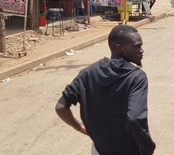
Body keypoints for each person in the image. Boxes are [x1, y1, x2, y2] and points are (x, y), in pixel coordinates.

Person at [55, 25, 156, 155]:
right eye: (137, 46)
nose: (141, 50)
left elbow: (60, 107)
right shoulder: (136, 78)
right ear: (119, 48)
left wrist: (78, 127)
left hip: (99, 149)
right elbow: (135, 118)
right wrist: (148, 148)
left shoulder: (88, 73)